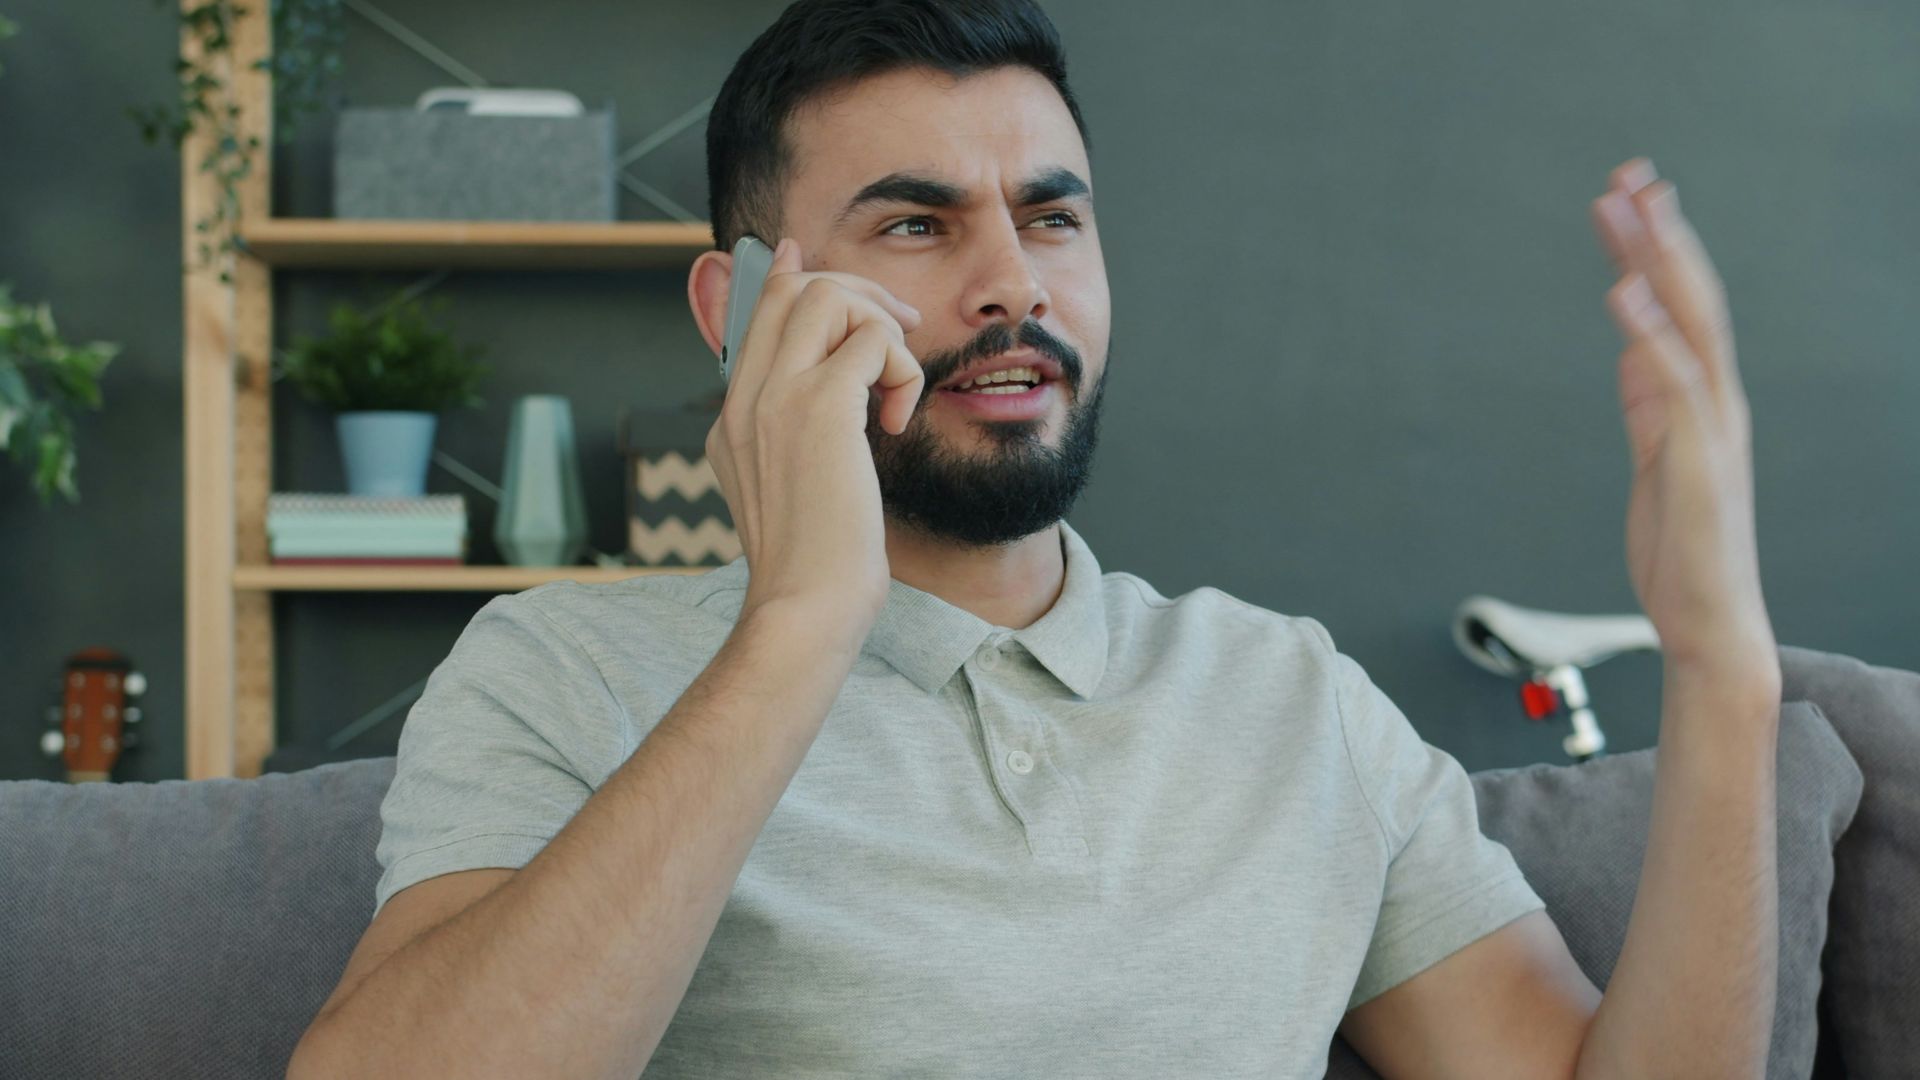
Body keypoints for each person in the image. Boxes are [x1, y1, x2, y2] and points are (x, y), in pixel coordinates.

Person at [291, 2, 1785, 1077]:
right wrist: (803, 624)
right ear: (736, 312)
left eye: (1053, 220)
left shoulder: (1293, 700)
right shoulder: (562, 671)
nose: (1014, 284)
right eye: (918, 226)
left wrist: (1722, 668)